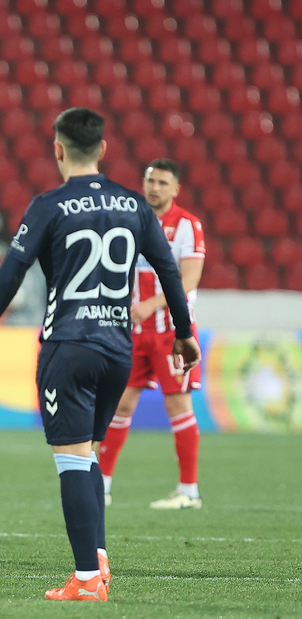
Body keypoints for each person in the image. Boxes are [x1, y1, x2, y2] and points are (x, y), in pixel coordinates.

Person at [0, 108, 201, 602]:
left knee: (71, 461)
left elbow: (13, 271)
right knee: (88, 454)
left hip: (69, 344)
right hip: (119, 348)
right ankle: (98, 559)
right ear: (104, 150)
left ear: (58, 149)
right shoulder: (135, 205)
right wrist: (184, 332)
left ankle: (88, 581)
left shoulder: (49, 204)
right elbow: (169, 272)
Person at [97, 158, 205, 509]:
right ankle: (103, 485)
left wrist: (153, 304)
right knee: (121, 403)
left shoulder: (187, 225)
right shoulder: (131, 221)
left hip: (171, 331)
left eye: (162, 182)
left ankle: (189, 491)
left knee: (178, 404)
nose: (154, 187)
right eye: (150, 180)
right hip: (133, 332)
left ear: (176, 189)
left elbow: (189, 278)